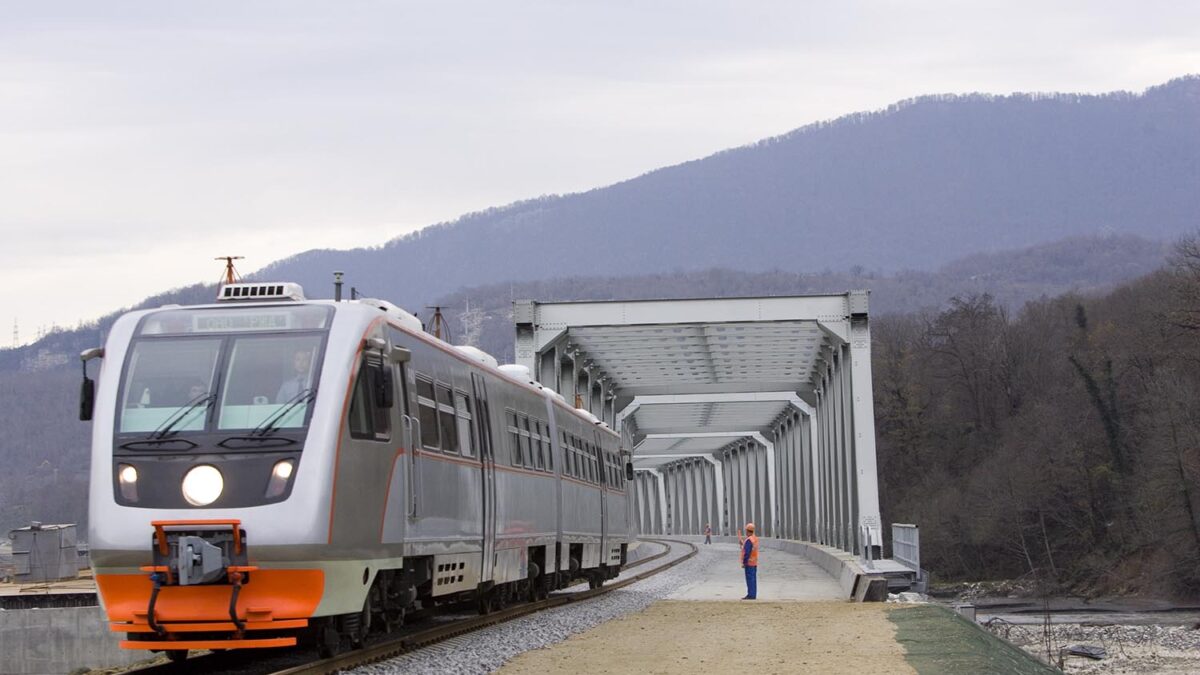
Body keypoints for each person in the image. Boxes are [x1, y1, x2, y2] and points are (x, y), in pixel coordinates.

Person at [741, 522, 758, 600]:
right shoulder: (755, 539)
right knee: (753, 580)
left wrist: (744, 562)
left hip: (749, 563)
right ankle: (753, 594)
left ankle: (750, 595)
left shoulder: (749, 540)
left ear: (747, 531)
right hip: (754, 562)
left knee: (750, 579)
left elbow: (747, 552)